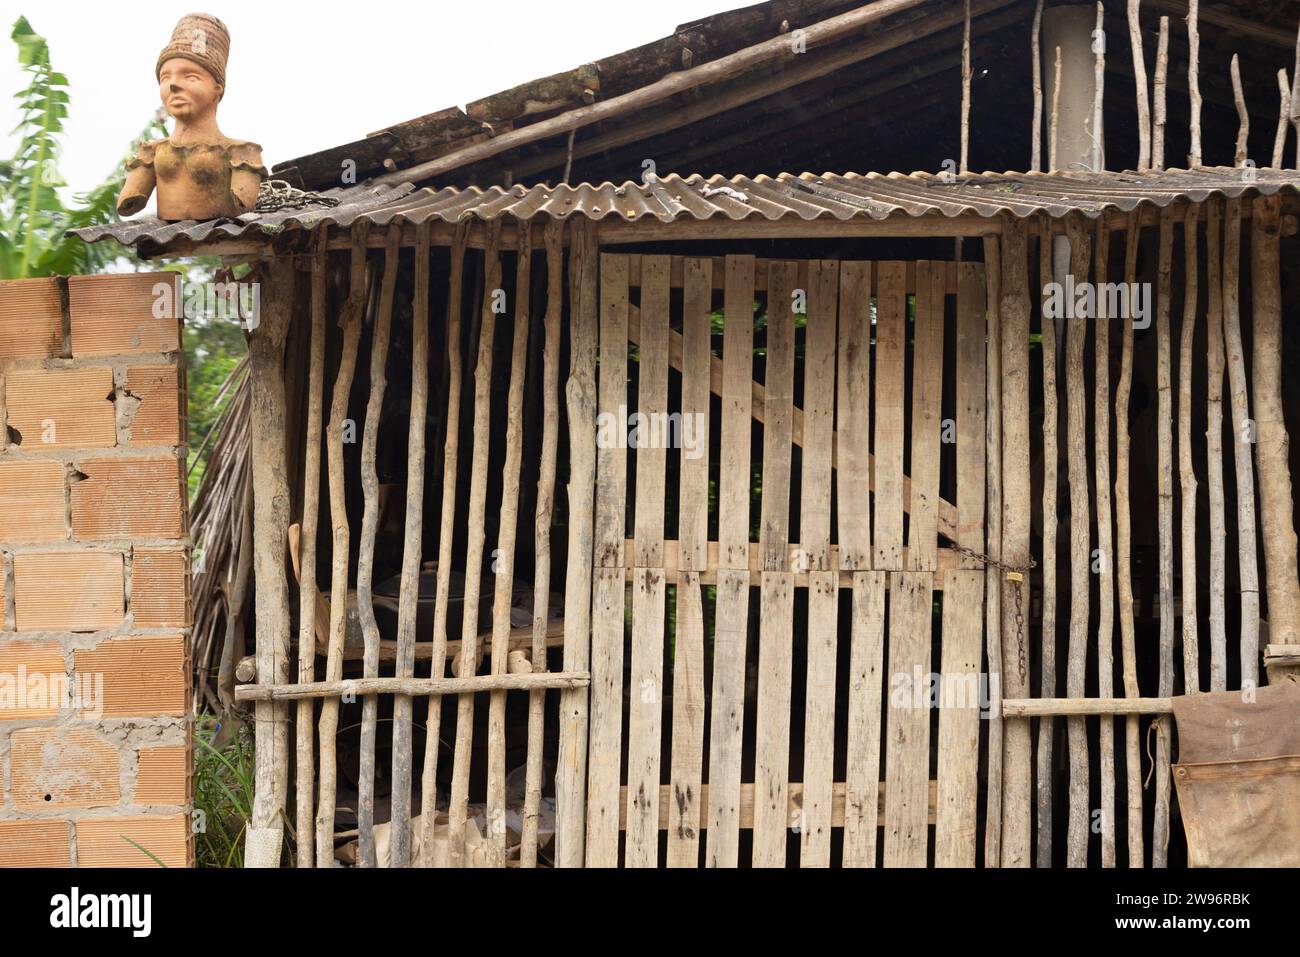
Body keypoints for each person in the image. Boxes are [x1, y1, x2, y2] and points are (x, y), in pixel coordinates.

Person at [117, 13, 266, 221]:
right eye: (165, 77)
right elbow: (128, 204)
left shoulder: (242, 153)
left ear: (217, 88)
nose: (173, 85)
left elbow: (244, 205)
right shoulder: (152, 152)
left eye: (190, 76)